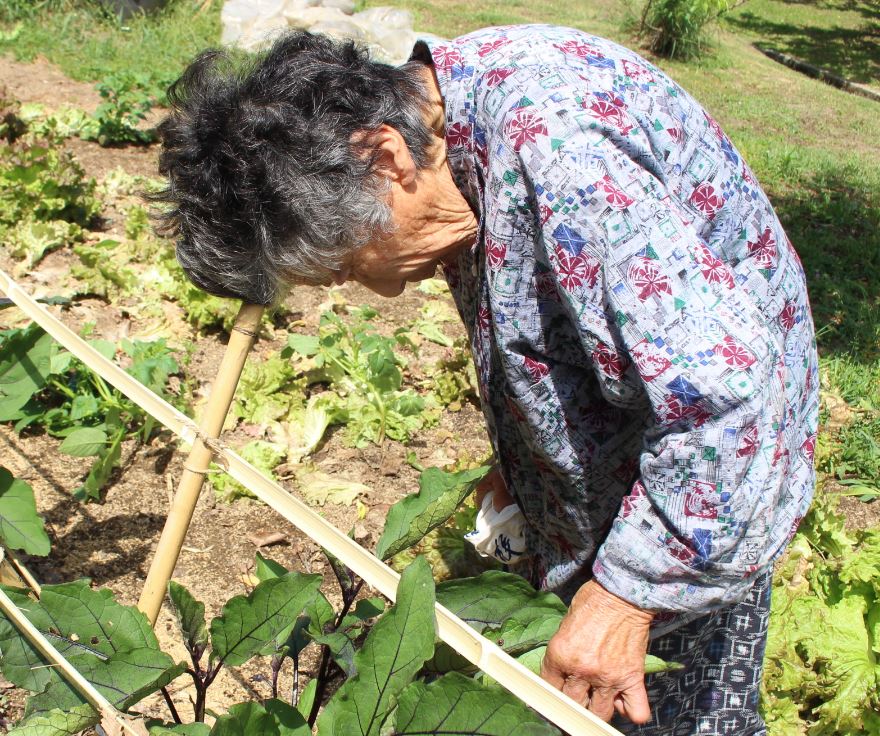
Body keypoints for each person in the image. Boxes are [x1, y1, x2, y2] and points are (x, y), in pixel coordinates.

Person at [154, 25, 819, 735]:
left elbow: (728, 408)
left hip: (701, 496)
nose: (375, 291)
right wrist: (528, 463)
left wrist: (627, 597)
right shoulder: (444, 118)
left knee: (675, 711)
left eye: (349, 265)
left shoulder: (565, 156)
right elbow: (548, 307)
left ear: (385, 156)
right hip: (639, 450)